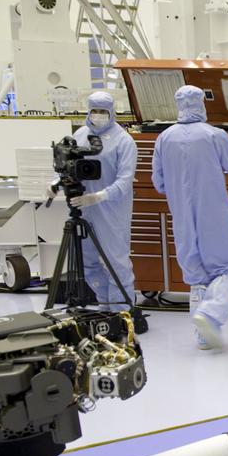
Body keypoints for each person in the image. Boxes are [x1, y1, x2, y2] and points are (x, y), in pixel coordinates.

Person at [151, 85, 228, 349]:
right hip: (213, 215)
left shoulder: (164, 138)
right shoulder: (214, 135)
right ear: (201, 104)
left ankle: (202, 337)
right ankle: (210, 314)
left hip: (182, 215)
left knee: (196, 275)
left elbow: (159, 182)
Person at [70, 91, 136, 309]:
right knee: (87, 261)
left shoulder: (124, 141)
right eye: (94, 111)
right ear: (88, 111)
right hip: (82, 208)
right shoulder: (79, 135)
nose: (98, 115)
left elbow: (125, 180)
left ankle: (122, 312)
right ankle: (105, 303)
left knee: (116, 263)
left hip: (111, 211)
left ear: (112, 112)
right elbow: (68, 165)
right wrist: (54, 184)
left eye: (103, 111)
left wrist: (98, 196)